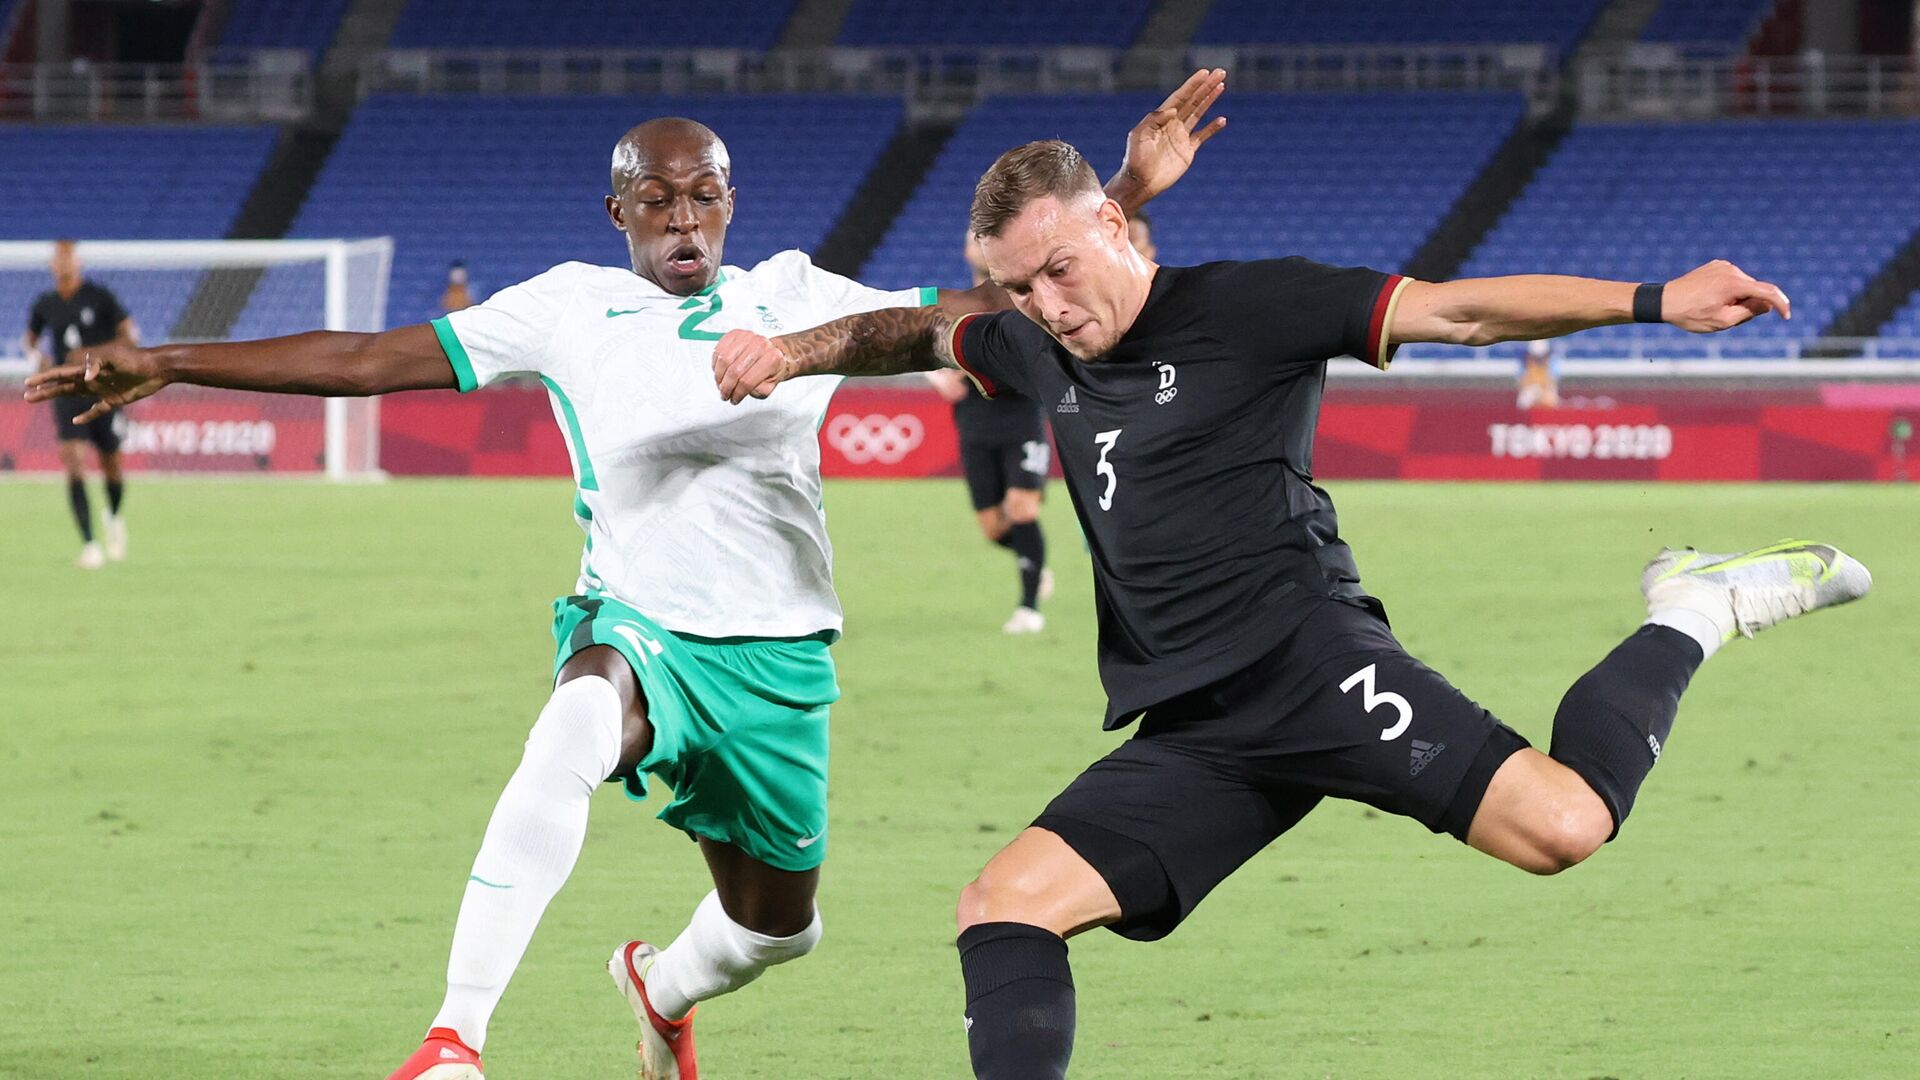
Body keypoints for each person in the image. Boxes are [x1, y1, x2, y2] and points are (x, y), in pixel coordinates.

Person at [26, 73, 1227, 1080]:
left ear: (729, 202)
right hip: (638, 621)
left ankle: (657, 990)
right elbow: (365, 354)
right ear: (619, 213)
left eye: (703, 193)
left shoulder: (800, 297)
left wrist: (1112, 200)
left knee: (779, 928)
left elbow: (978, 310)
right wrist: (175, 360)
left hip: (778, 656)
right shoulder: (565, 309)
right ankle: (456, 1036)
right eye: (656, 198)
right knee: (574, 721)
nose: (683, 217)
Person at [707, 137, 1874, 1079]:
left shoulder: (1252, 307)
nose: (1043, 306)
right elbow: (910, 328)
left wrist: (1655, 298)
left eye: (1058, 272)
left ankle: (1696, 606)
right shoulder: (1032, 341)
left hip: (1312, 664)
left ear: (1116, 227)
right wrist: (789, 351)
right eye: (1017, 286)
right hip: (1196, 729)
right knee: (1003, 908)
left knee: (1565, 827)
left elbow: (1461, 313)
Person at [925, 233, 1055, 632]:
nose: (980, 246)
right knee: (994, 528)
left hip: (1021, 419)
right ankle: (1033, 562)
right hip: (974, 422)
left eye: (986, 239)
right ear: (966, 250)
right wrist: (935, 376)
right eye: (973, 239)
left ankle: (1029, 608)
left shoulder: (1026, 296)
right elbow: (917, 347)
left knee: (1022, 509)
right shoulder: (953, 304)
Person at [26, 239, 137, 568]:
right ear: (51, 266)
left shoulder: (100, 297)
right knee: (73, 461)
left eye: (67, 259)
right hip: (66, 390)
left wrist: (103, 358)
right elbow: (30, 340)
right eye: (57, 260)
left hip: (103, 388)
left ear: (78, 263)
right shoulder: (45, 303)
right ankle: (90, 544)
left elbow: (128, 335)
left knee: (111, 463)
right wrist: (38, 357)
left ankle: (114, 516)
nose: (62, 265)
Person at [1517, 337, 1560, 409]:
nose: (1539, 359)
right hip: (1529, 390)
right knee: (1524, 399)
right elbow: (1522, 383)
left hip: (1547, 389)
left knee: (1551, 399)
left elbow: (1552, 382)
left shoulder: (1553, 363)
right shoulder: (1524, 363)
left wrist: (1543, 393)